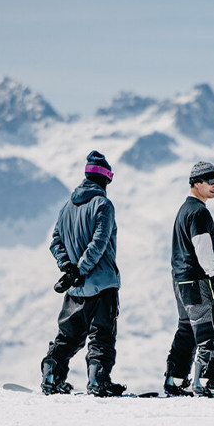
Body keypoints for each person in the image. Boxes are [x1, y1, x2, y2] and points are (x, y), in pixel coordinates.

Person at [41, 150, 125, 396]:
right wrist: (81, 269)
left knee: (68, 336)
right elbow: (99, 242)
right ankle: (98, 381)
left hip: (76, 288)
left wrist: (68, 269)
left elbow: (55, 241)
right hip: (102, 284)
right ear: (106, 179)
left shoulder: (67, 206)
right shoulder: (103, 204)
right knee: (102, 336)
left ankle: (51, 374)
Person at [164, 161, 214, 397]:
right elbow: (202, 247)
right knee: (211, 329)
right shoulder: (198, 212)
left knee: (186, 329)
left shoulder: (184, 209)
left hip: (181, 280)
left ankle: (175, 379)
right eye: (211, 182)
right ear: (196, 184)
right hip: (199, 279)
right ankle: (205, 381)